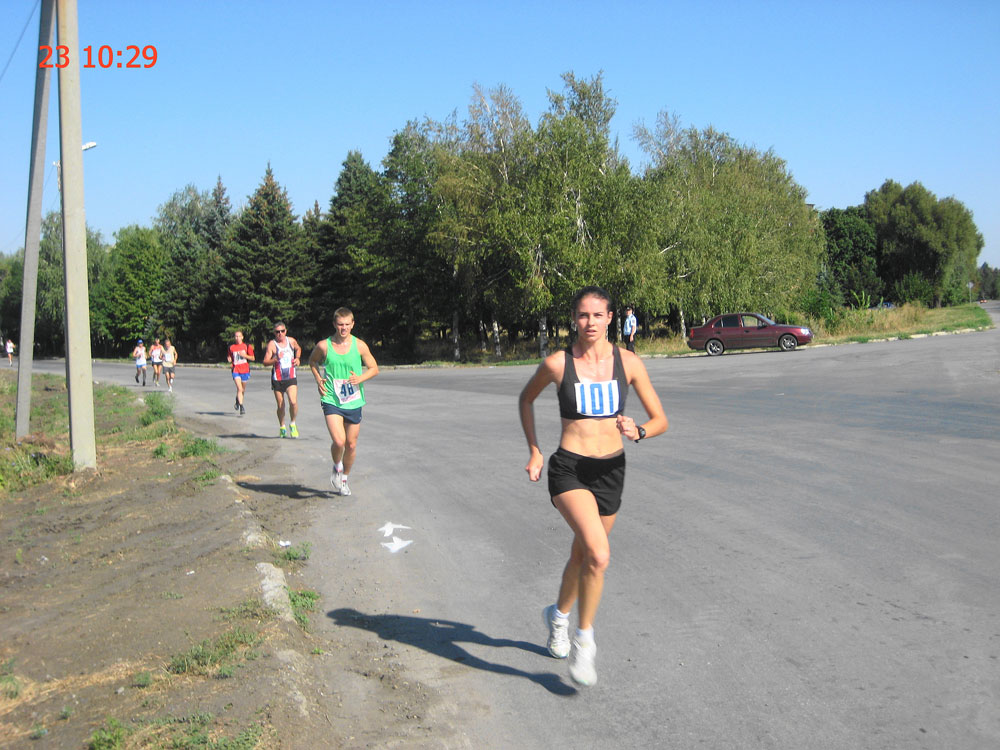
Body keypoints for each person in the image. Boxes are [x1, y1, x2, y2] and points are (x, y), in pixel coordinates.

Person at [518, 286, 668, 687]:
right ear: (574, 319)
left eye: (597, 315)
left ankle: (559, 616)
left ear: (610, 318)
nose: (590, 323)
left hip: (611, 471)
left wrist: (637, 430)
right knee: (599, 555)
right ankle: (585, 642)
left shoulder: (630, 363)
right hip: (569, 470)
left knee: (583, 555)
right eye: (582, 316)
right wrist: (535, 450)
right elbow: (525, 400)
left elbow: (660, 420)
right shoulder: (557, 364)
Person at [308, 307, 379, 496]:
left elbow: (374, 368)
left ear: (353, 324)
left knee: (351, 444)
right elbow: (312, 361)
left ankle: (344, 479)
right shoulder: (324, 345)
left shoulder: (360, 345)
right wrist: (318, 379)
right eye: (340, 324)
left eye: (347, 324)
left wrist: (360, 379)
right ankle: (337, 466)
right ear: (334, 324)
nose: (344, 328)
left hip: (354, 399)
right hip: (331, 397)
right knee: (339, 441)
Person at [262, 321, 302, 438]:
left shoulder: (291, 341)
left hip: (290, 376)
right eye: (277, 332)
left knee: (293, 402)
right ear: (274, 333)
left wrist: (298, 358)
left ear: (286, 331)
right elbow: (265, 362)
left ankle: (293, 423)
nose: (280, 334)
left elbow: (298, 348)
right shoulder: (272, 344)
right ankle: (282, 426)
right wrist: (274, 359)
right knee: (281, 405)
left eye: (282, 331)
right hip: (277, 378)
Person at [227, 330, 254, 416]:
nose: (237, 338)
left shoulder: (247, 346)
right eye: (236, 336)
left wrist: (245, 355)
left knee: (243, 389)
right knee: (239, 388)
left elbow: (253, 358)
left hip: (245, 370)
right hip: (236, 370)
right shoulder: (231, 347)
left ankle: (238, 400)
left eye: (239, 336)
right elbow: (230, 357)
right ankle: (242, 407)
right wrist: (229, 360)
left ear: (242, 337)